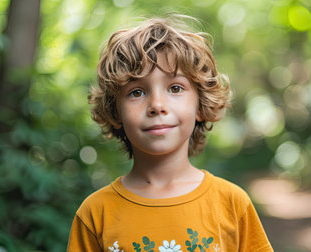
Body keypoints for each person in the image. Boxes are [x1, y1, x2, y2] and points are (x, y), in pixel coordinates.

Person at [67, 15, 273, 252]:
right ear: (115, 112)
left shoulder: (232, 204)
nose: (157, 104)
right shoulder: (95, 213)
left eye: (175, 88)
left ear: (200, 105)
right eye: (136, 92)